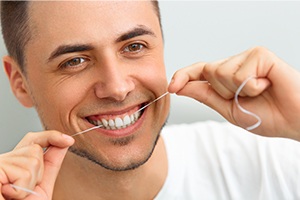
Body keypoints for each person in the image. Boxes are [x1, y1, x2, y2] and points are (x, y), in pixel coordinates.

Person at [0, 1, 300, 199]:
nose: (117, 88)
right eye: (75, 61)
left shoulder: (270, 163)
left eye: (134, 46)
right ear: (19, 82)